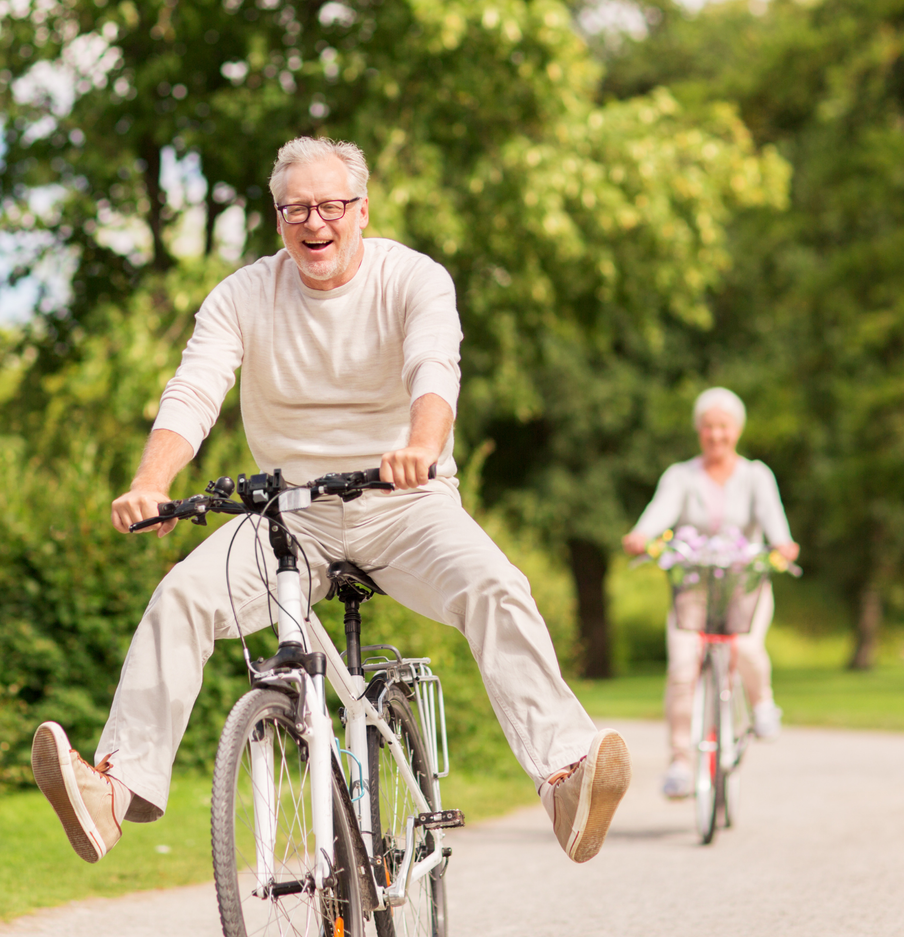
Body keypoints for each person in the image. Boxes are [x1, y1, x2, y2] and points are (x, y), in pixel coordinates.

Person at [31, 136, 630, 868]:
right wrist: (150, 482)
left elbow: (434, 368)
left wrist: (421, 445)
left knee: (496, 585)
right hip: (289, 515)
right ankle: (113, 792)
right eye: (296, 210)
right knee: (182, 596)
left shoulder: (412, 278)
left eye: (330, 206)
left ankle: (565, 777)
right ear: (277, 218)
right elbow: (194, 391)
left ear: (361, 210)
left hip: (405, 502)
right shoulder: (243, 294)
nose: (315, 223)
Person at [621, 387, 798, 799]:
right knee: (682, 667)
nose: (715, 435)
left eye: (723, 427)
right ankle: (680, 763)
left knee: (747, 648)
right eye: (708, 427)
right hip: (694, 588)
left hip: (745, 586)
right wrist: (641, 536)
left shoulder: (757, 476)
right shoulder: (681, 476)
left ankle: (762, 704)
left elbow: (777, 527)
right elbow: (657, 514)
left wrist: (783, 546)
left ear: (736, 431)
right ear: (699, 431)